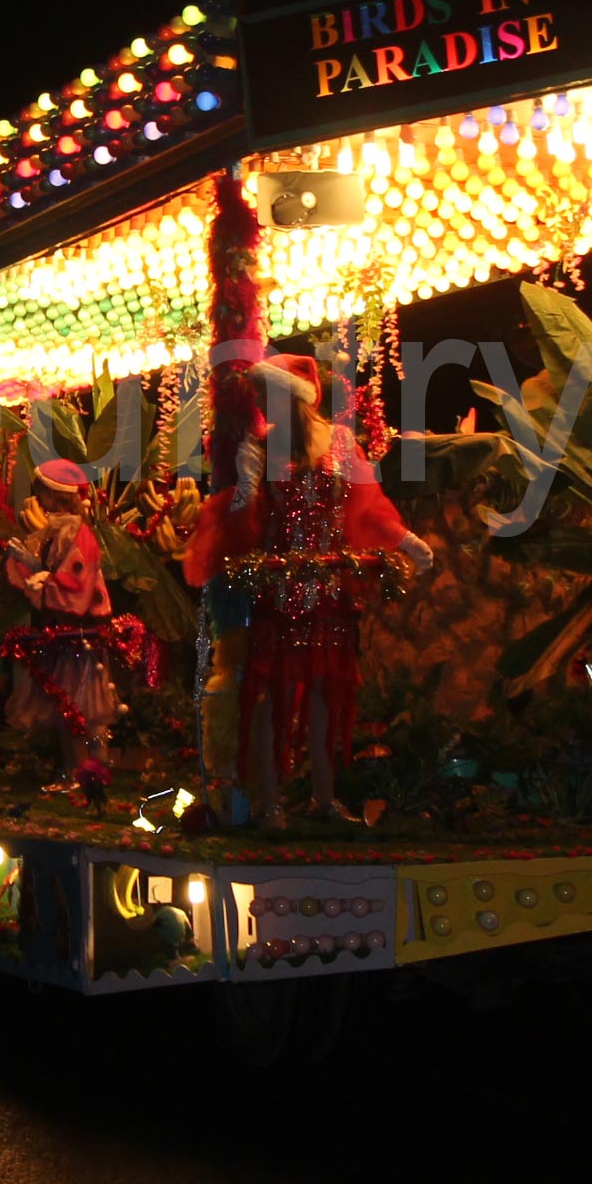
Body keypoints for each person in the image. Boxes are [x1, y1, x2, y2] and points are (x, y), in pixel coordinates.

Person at [182, 354, 431, 829]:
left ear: (290, 395)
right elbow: (244, 522)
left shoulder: (339, 443)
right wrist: (243, 494)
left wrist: (405, 540)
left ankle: (324, 797)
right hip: (278, 593)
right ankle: (271, 802)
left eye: (267, 394)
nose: (261, 404)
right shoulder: (259, 446)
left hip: (328, 591)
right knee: (267, 695)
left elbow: (367, 507)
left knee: (324, 693)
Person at [0, 457, 123, 784]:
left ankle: (85, 772)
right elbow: (52, 570)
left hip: (77, 634)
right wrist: (29, 563)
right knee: (68, 708)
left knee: (78, 708)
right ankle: (78, 771)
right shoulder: (60, 531)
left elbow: (74, 583)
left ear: (57, 496)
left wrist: (42, 579)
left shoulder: (76, 533)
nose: (38, 500)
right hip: (64, 633)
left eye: (43, 493)